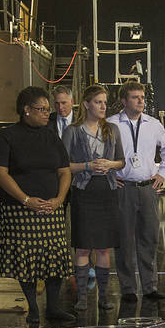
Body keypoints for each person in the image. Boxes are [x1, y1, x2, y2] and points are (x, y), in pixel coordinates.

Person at [0, 86, 74, 325]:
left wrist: (59, 199)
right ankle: (33, 307)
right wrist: (25, 199)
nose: (47, 113)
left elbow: (64, 171)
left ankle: (54, 307)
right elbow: (1, 173)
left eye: (48, 109)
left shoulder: (51, 136)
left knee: (54, 258)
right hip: (20, 208)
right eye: (41, 109)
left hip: (50, 207)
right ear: (26, 110)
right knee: (26, 259)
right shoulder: (8, 137)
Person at [108, 81, 165, 302]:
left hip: (148, 188)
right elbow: (100, 153)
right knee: (124, 240)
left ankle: (149, 287)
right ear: (123, 101)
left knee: (149, 238)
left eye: (142, 97)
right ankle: (128, 288)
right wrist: (109, 176)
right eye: (135, 97)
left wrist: (163, 173)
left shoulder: (153, 124)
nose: (141, 101)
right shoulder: (110, 124)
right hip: (123, 188)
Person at [62, 85, 126, 313]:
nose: (103, 106)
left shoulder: (112, 130)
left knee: (103, 249)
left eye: (105, 102)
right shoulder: (73, 131)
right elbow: (64, 165)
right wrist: (87, 165)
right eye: (98, 102)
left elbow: (121, 161)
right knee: (81, 248)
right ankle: (81, 297)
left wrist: (110, 165)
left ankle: (103, 296)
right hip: (83, 192)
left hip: (106, 192)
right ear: (87, 104)